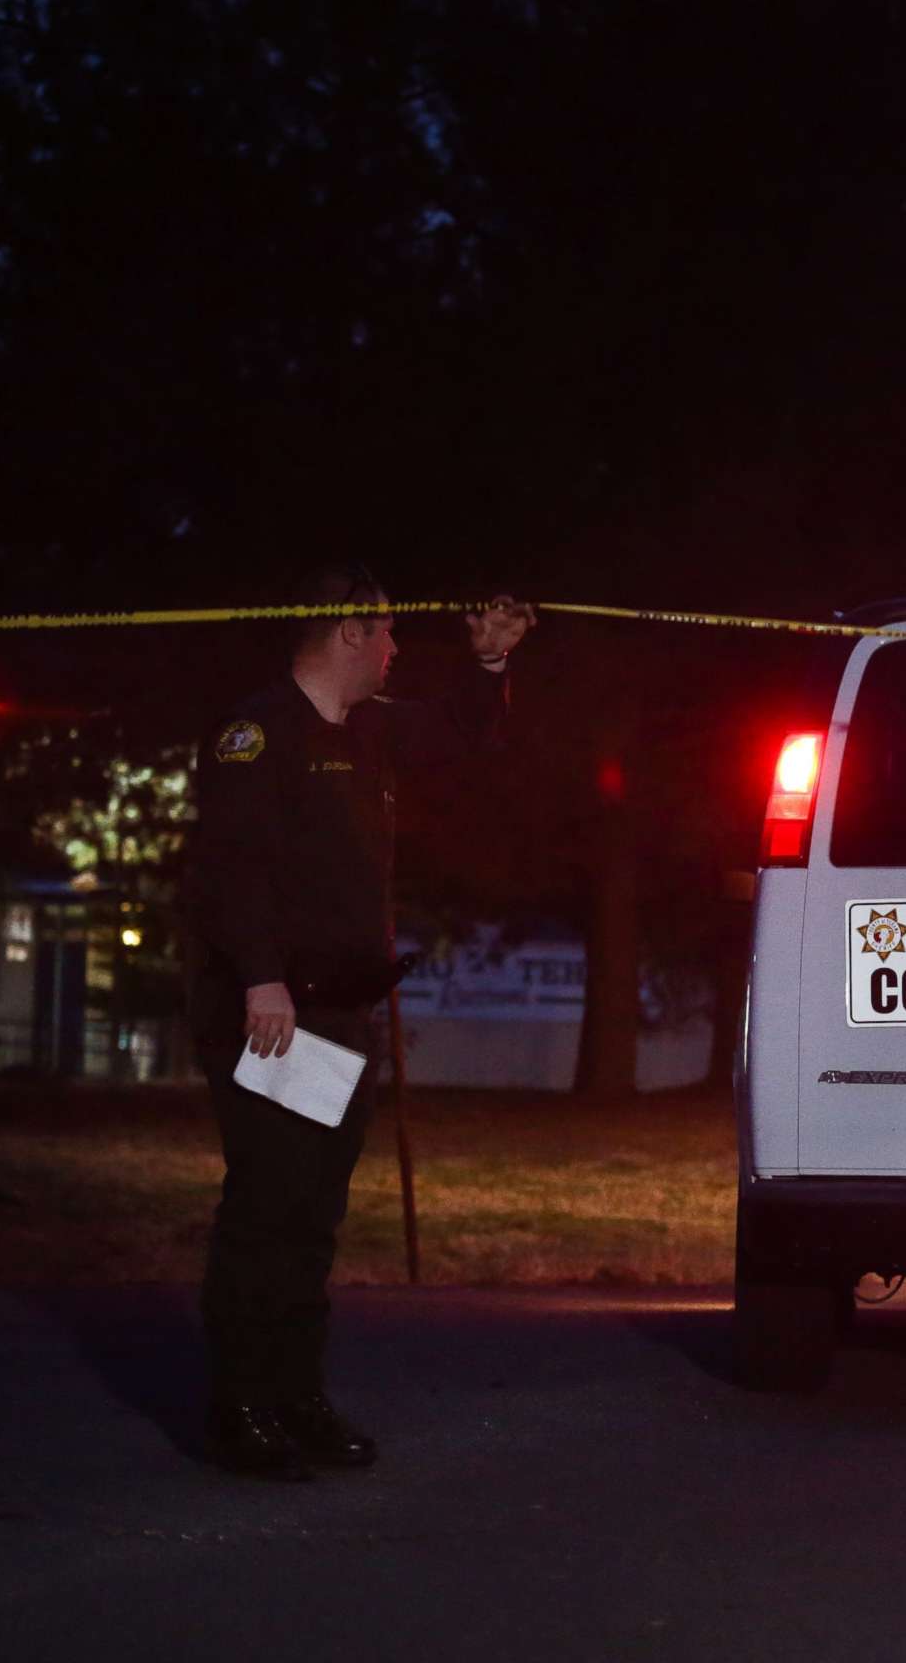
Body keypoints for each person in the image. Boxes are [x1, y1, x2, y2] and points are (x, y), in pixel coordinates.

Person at [185, 563, 535, 1480]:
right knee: (268, 1204)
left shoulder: (373, 729)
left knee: (314, 1211)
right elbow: (231, 872)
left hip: (336, 1011)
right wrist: (261, 981)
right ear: (347, 632)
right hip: (269, 1012)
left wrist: (490, 664)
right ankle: (241, 1406)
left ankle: (297, 1397)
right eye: (384, 635)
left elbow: (464, 734)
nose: (393, 652)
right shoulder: (257, 736)